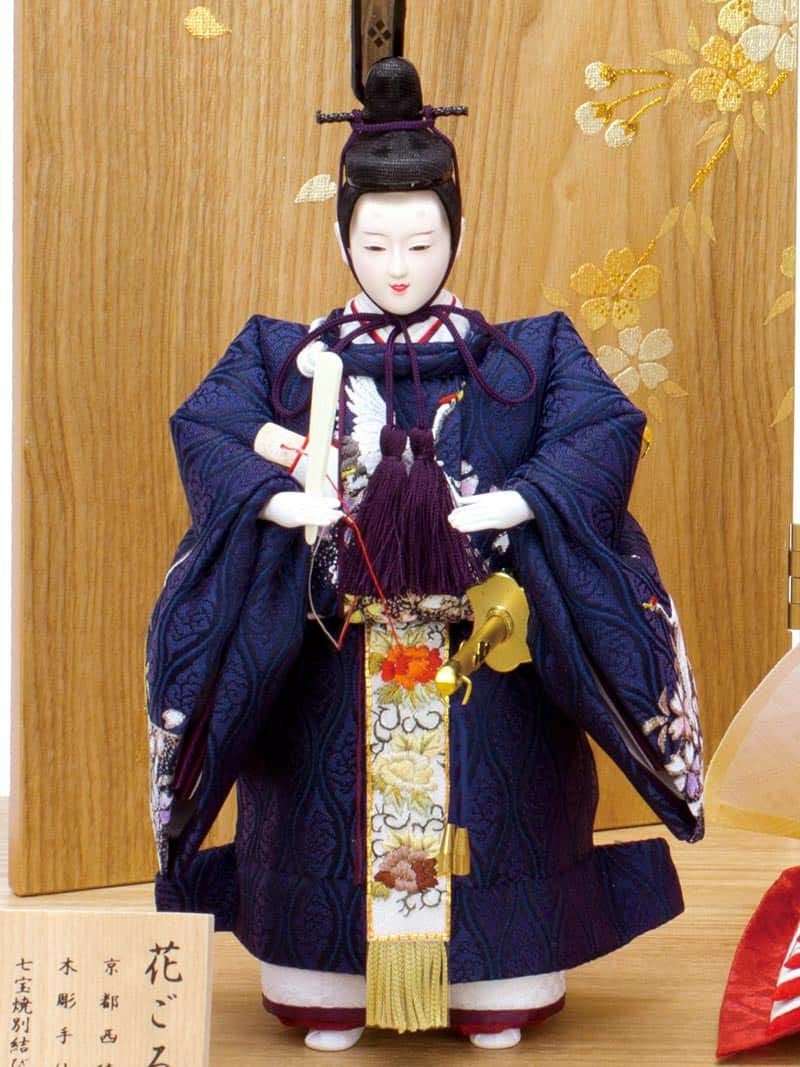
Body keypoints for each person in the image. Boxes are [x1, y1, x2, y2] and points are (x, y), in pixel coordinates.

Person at [147, 57, 704, 1052]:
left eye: (420, 241)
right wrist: (277, 500)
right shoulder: (285, 357)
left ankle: (497, 965)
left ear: (457, 231)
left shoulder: (527, 356)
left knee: (494, 826)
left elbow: (599, 428)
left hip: (479, 662)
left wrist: (525, 497)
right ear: (341, 238)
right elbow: (209, 427)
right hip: (332, 659)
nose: (397, 266)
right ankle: (326, 968)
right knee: (324, 832)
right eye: (374, 243)